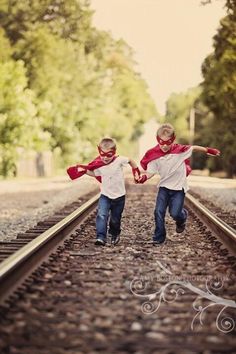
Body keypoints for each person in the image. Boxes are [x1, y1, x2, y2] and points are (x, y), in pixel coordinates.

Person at [137, 123, 220, 246]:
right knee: (158, 211)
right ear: (157, 140)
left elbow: (194, 147)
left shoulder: (180, 151)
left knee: (175, 213)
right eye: (162, 143)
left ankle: (182, 218)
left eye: (168, 143)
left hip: (178, 189)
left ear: (173, 140)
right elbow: (150, 172)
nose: (165, 146)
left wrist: (208, 150)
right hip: (164, 188)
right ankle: (159, 237)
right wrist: (143, 178)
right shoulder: (154, 155)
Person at [67, 137, 140, 246]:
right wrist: (84, 171)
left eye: (108, 155)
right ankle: (101, 237)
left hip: (119, 197)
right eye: (103, 154)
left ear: (114, 153)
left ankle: (114, 233)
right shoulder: (99, 164)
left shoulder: (119, 160)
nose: (105, 158)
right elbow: (95, 173)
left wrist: (136, 171)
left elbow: (130, 160)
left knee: (115, 219)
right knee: (101, 215)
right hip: (105, 195)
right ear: (99, 152)